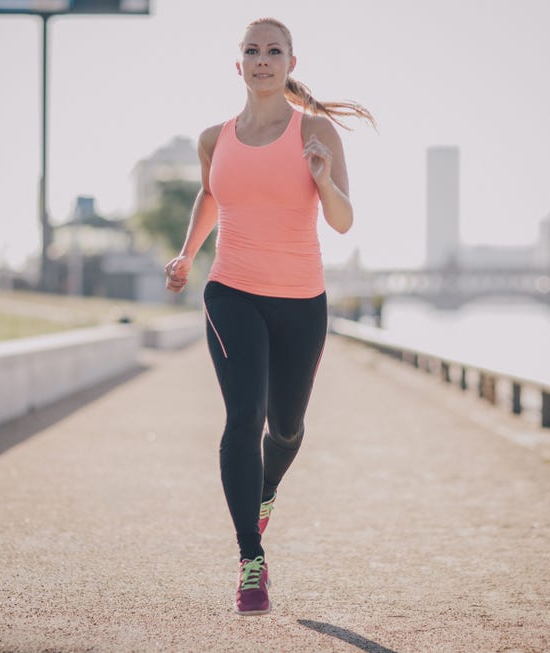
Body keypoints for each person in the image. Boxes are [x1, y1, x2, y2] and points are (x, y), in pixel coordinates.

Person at [164, 16, 374, 616]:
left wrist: (324, 179)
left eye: (273, 51)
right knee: (243, 417)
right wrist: (187, 254)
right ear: (239, 65)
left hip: (302, 301)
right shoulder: (214, 138)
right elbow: (211, 195)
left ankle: (266, 491)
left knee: (285, 430)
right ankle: (250, 560)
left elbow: (341, 220)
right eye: (252, 51)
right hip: (231, 292)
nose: (262, 59)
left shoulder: (317, 133)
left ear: (290, 64)